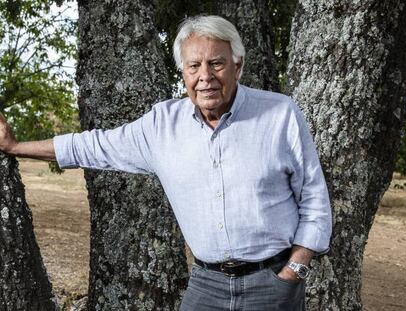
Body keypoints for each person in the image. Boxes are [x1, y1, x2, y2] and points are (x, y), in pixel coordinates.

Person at [0, 15, 332, 311]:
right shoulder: (162, 126)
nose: (205, 76)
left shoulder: (280, 114)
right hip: (206, 283)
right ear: (183, 72)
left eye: (216, 63)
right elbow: (93, 145)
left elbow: (314, 198)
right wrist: (15, 147)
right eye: (194, 66)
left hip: (272, 282)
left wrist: (295, 271)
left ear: (238, 65)